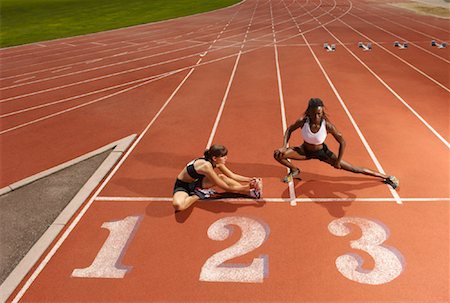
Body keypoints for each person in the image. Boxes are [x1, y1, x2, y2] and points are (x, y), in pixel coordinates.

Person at [273, 98, 399, 189]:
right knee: (278, 154)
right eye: (315, 113)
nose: (317, 116)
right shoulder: (303, 121)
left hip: (322, 153)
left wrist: (338, 161)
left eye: (320, 113)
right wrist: (284, 146)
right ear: (309, 112)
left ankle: (386, 177)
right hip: (304, 151)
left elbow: (342, 142)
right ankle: (295, 170)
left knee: (354, 169)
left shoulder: (327, 126)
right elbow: (289, 129)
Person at [173, 144, 263, 212]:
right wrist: (247, 186)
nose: (226, 158)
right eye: (223, 156)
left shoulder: (216, 162)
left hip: (197, 182)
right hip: (183, 186)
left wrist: (251, 180)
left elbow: (232, 175)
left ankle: (252, 193)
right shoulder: (206, 166)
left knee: (222, 177)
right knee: (178, 206)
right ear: (214, 158)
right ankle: (199, 194)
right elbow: (224, 187)